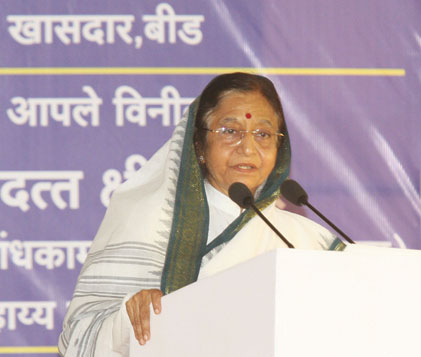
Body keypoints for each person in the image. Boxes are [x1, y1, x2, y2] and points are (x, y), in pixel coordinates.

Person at [58, 72, 344, 356]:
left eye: (263, 134)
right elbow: (78, 339)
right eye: (230, 131)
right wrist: (128, 318)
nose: (248, 147)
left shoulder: (306, 242)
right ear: (199, 145)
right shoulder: (147, 221)